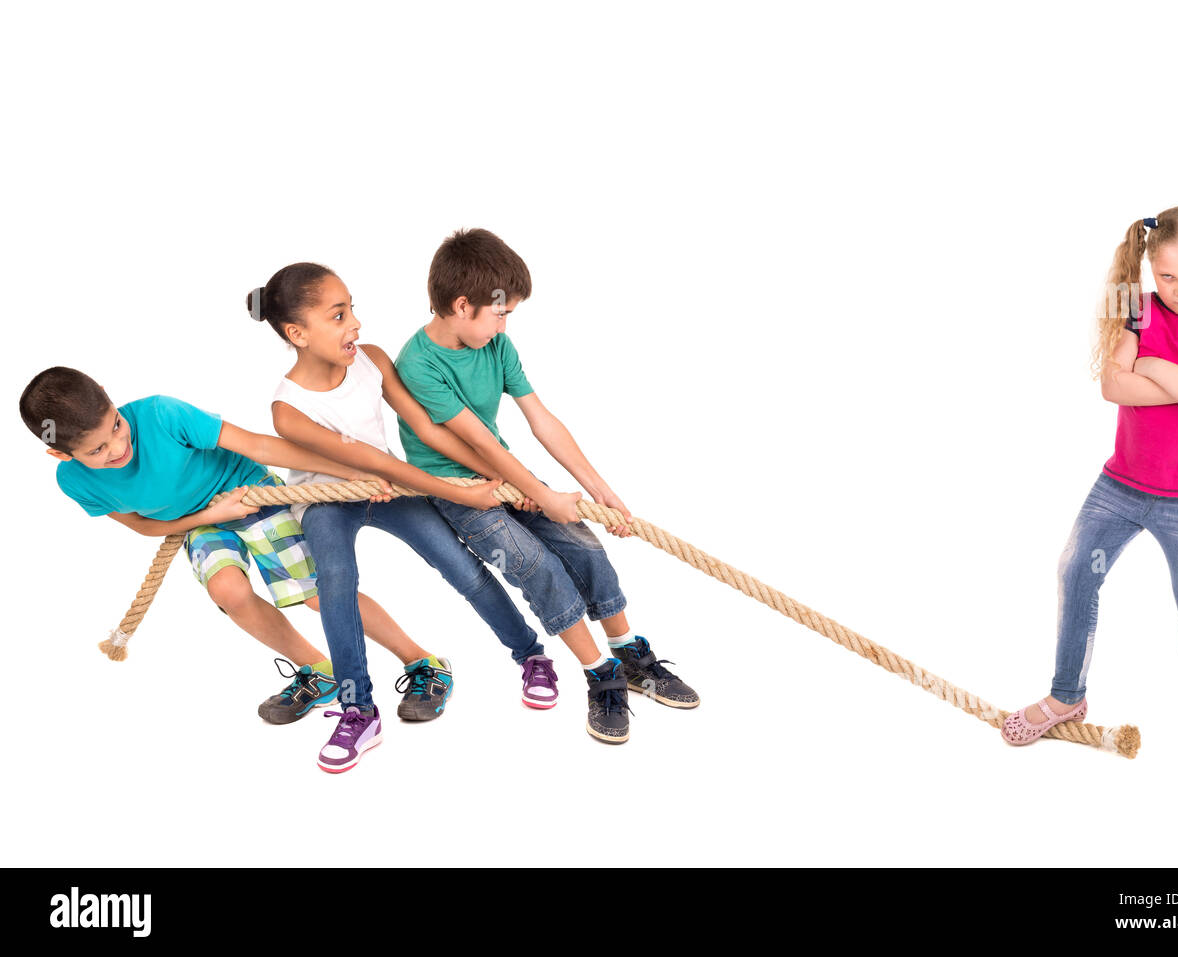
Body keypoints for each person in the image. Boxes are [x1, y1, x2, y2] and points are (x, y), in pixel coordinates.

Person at [394, 228, 700, 745]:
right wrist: (541, 493)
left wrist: (597, 489)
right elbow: (480, 447)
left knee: (582, 542)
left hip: (509, 474)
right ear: (462, 305)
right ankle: (600, 673)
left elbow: (541, 419)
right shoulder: (418, 364)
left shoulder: (498, 345)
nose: (505, 323)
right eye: (501, 313)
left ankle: (628, 652)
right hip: (460, 490)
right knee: (534, 563)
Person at [251, 262, 554, 772]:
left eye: (352, 309)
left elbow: (425, 428)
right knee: (335, 583)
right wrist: (458, 492)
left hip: (388, 491)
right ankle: (357, 709)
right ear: (297, 333)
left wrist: (507, 481)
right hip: (327, 500)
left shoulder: (370, 360)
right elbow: (374, 461)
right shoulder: (288, 409)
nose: (356, 325)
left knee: (460, 565)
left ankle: (531, 655)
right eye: (338, 315)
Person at [20, 366, 416, 725]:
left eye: (116, 426)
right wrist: (207, 518)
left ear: (108, 396)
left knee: (316, 593)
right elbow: (142, 526)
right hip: (201, 520)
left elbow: (258, 446)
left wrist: (354, 472)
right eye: (97, 451)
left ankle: (420, 661)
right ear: (59, 452)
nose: (118, 447)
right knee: (228, 591)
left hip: (251, 493)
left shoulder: (161, 414)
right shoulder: (75, 482)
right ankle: (318, 671)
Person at [1002, 206, 1178, 749]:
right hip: (1122, 487)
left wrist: (1156, 367)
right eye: (1166, 276)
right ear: (1148, 267)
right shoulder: (1131, 304)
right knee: (1076, 569)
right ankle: (1067, 692)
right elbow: (1114, 387)